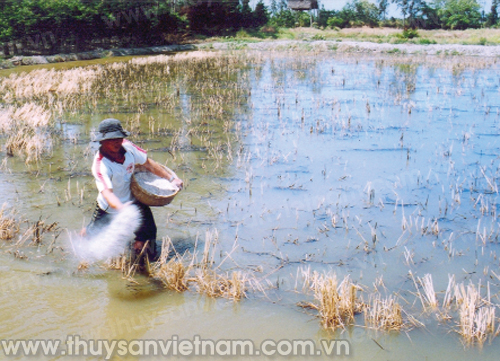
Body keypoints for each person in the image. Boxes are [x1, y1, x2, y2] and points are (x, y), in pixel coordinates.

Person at [81, 118, 183, 257]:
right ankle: (82, 236)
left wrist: (171, 179)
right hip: (109, 208)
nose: (117, 142)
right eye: (112, 139)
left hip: (134, 200)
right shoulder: (100, 165)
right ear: (103, 141)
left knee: (149, 232)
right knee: (93, 233)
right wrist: (123, 209)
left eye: (119, 138)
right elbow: (108, 194)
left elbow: (148, 164)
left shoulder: (128, 147)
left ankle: (145, 259)